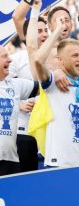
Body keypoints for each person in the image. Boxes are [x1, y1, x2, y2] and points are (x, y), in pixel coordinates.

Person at [29, 15, 79, 168]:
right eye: (74, 55)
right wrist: (58, 30)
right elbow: (38, 60)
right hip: (59, 162)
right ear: (60, 60)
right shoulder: (53, 83)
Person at [7, 17, 49, 172]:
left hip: (50, 130)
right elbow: (3, 88)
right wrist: (19, 104)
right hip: (24, 131)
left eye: (45, 30)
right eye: (38, 31)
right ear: (27, 35)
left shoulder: (55, 58)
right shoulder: (15, 60)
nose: (44, 34)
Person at [0, 45, 39, 175]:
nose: (10, 60)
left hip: (11, 161)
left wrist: (58, 72)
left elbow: (45, 85)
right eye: (4, 56)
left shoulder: (14, 85)